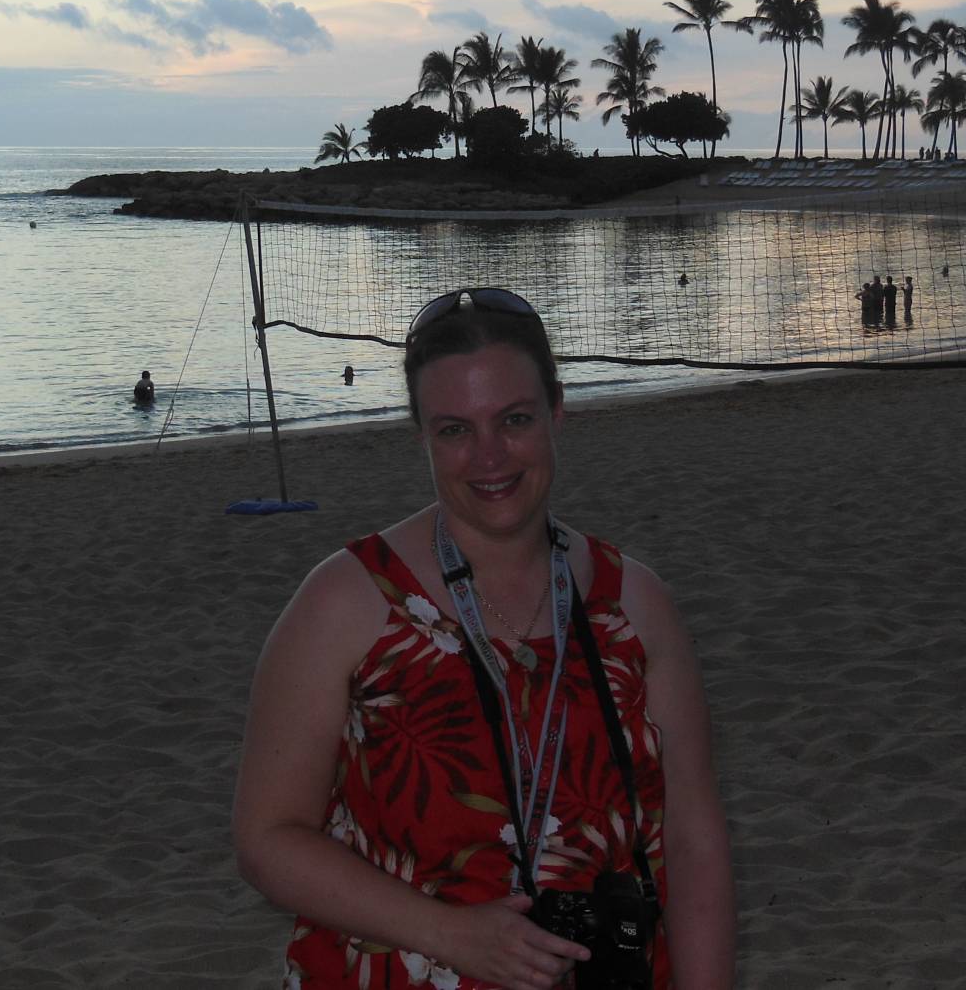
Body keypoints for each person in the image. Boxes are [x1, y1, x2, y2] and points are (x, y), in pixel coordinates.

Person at [233, 288, 736, 987]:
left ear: (557, 409)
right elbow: (267, 840)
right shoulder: (346, 603)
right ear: (421, 434)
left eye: (515, 419)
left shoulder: (634, 604)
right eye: (454, 430)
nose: (489, 457)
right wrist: (449, 934)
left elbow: (692, 841)